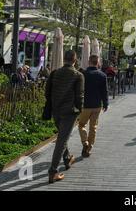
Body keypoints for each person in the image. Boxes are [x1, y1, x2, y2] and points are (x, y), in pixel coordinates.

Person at [45, 50, 84, 184]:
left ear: (64, 59)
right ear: (75, 60)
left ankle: (67, 158)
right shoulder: (78, 75)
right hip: (69, 112)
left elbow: (47, 92)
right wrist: (80, 110)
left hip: (56, 110)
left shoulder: (54, 73)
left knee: (62, 136)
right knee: (61, 140)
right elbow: (79, 96)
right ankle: (53, 171)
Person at [79, 55, 108, 158]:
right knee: (93, 127)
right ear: (98, 62)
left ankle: (85, 142)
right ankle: (89, 147)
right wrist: (105, 103)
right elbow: (104, 92)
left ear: (89, 61)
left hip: (85, 105)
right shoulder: (102, 75)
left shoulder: (83, 74)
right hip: (97, 105)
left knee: (82, 125)